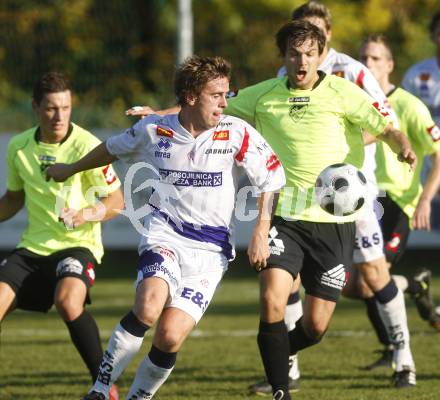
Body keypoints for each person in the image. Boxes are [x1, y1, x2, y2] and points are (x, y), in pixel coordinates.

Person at [46, 55, 286, 400]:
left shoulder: (236, 133)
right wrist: (70, 169)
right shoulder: (154, 130)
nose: (224, 102)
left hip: (211, 252)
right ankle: (99, 390)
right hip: (165, 235)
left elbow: (270, 178)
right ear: (190, 96)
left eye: (226, 94)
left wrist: (261, 231)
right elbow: (112, 149)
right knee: (148, 306)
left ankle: (138, 397)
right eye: (216, 95)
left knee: (170, 336)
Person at [224, 20, 416, 399]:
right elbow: (211, 105)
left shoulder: (345, 92)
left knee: (315, 326)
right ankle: (282, 388)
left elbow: (387, 125)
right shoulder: (264, 95)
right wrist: (162, 113)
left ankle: (279, 351)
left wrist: (402, 146)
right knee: (272, 299)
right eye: (294, 53)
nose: (302, 60)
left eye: (310, 53)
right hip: (286, 218)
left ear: (321, 56)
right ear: (284, 56)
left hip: (335, 224)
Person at [0, 72, 124, 400]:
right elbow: (13, 199)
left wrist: (84, 215)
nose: (60, 116)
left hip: (77, 245)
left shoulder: (87, 147)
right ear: (35, 107)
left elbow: (116, 201)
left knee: (68, 301)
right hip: (32, 248)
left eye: (66, 107)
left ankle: (105, 385)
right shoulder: (19, 146)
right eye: (52, 108)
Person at [354, 31, 440, 357]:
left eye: (375, 58)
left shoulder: (409, 105)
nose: (368, 63)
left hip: (398, 202)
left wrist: (424, 200)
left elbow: (438, 155)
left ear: (390, 64)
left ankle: (397, 352)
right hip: (365, 200)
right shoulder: (354, 102)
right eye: (363, 58)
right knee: (358, 285)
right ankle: (413, 287)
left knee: (370, 281)